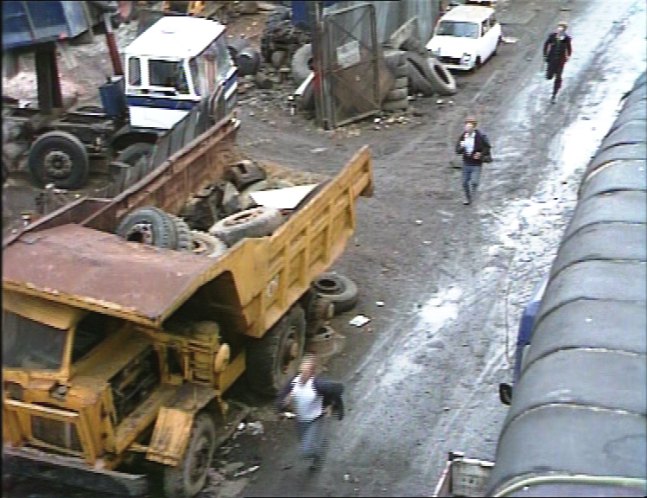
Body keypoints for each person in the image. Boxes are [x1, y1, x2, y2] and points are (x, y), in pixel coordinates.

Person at [276, 354, 344, 471]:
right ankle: (318, 452)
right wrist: (284, 403)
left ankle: (320, 454)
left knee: (307, 450)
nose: (303, 374)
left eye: (307, 371)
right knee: (306, 444)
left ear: (312, 372)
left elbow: (339, 388)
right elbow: (280, 398)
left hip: (315, 420)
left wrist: (331, 405)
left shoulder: (317, 385)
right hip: (301, 421)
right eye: (302, 370)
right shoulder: (294, 383)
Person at [455, 116, 491, 205]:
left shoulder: (480, 136)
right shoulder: (463, 136)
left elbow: (487, 147)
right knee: (464, 183)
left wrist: (480, 154)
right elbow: (457, 150)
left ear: (474, 127)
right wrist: (462, 147)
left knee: (474, 182)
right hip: (466, 163)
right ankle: (468, 198)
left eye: (469, 127)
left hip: (476, 164)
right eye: (466, 126)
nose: (467, 129)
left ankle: (473, 195)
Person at [543, 21, 573, 103]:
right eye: (559, 27)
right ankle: (549, 73)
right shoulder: (552, 36)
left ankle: (554, 94)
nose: (560, 30)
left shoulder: (566, 38)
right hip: (552, 59)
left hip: (560, 61)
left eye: (562, 28)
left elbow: (569, 49)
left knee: (558, 77)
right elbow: (546, 44)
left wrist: (568, 56)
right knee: (549, 76)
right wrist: (545, 55)